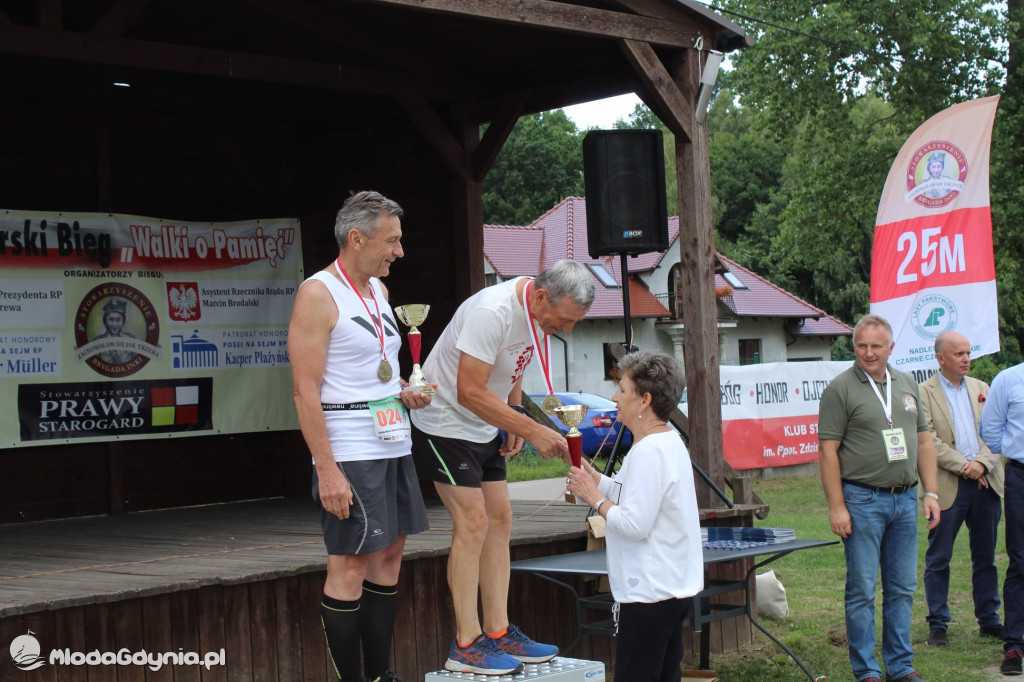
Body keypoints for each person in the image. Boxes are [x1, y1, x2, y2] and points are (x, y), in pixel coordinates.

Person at [410, 258, 595, 675]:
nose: (567, 330)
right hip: (444, 422)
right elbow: (470, 390)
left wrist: (511, 410)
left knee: (501, 519)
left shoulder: (536, 313)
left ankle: (497, 632)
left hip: (484, 423)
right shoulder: (491, 312)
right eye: (564, 321)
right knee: (473, 523)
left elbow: (512, 365)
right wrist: (530, 428)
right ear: (541, 297)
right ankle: (466, 644)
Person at [289, 191, 433, 682]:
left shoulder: (379, 292)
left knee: (390, 555)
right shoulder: (317, 293)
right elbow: (305, 391)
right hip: (348, 447)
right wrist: (326, 468)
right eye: (391, 240)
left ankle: (381, 674)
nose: (399, 251)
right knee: (349, 565)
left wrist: (403, 391)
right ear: (357, 238)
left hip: (392, 439)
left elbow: (373, 373)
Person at [817, 314, 940, 682]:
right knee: (862, 591)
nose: (869, 353)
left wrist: (929, 492)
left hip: (904, 501)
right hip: (862, 501)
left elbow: (923, 440)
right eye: (861, 346)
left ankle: (900, 667)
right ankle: (867, 670)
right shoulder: (841, 388)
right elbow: (827, 451)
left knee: (902, 589)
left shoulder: (906, 384)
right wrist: (837, 506)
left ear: (890, 348)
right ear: (854, 347)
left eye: (876, 346)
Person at [566, 350, 702, 682]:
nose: (615, 397)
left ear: (644, 400)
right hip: (671, 587)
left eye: (623, 390)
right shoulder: (666, 442)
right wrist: (595, 478)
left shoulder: (648, 452)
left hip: (650, 592)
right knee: (664, 674)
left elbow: (634, 524)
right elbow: (635, 496)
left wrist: (593, 498)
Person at [918, 331, 1004, 647]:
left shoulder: (983, 388)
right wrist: (965, 467)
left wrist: (981, 463)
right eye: (959, 354)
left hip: (985, 485)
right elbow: (925, 439)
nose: (966, 359)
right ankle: (938, 624)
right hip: (946, 487)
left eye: (968, 353)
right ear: (941, 358)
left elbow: (997, 431)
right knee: (939, 557)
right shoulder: (921, 392)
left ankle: (989, 618)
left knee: (986, 557)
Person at [980, 361, 1024, 676]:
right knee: (1020, 560)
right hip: (1021, 474)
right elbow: (992, 433)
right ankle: (1014, 644)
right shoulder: (1008, 380)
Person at [95, 298, 137, 364]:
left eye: (118, 320)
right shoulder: (97, 341)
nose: (115, 324)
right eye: (111, 320)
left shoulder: (130, 339)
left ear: (123, 321)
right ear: (105, 321)